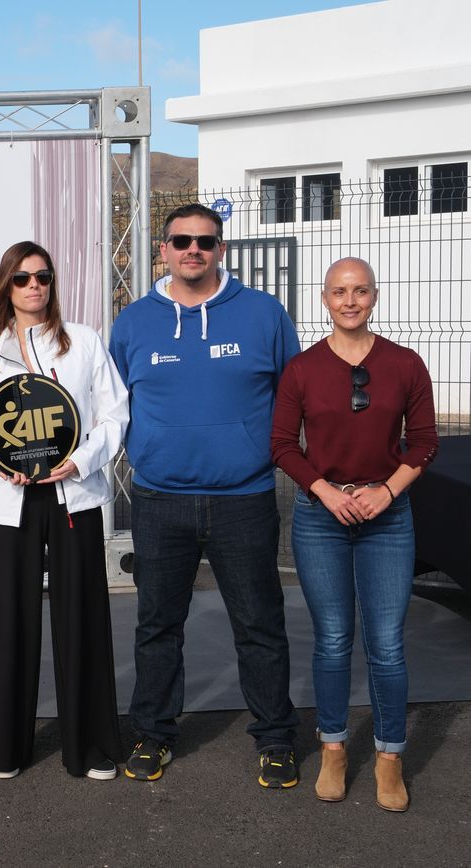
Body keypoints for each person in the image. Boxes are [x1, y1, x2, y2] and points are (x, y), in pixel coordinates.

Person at [108, 203, 302, 787]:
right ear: (162, 249)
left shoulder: (264, 314)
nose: (194, 249)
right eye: (181, 240)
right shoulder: (134, 322)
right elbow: (111, 409)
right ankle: (153, 735)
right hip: (159, 499)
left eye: (206, 241)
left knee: (260, 624)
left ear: (221, 249)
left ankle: (275, 739)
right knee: (157, 625)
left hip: (244, 498)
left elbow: (295, 399)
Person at [271, 257, 437, 811]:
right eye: (339, 292)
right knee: (334, 638)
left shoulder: (406, 364)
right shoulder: (302, 369)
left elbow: (424, 444)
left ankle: (390, 757)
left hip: (388, 516)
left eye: (360, 291)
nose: (350, 301)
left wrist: (387, 491)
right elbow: (282, 445)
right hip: (323, 517)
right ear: (324, 299)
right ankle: (335, 747)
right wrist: (325, 491)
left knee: (387, 644)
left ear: (374, 296)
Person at [0, 241, 129, 781]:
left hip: (72, 498)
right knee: (9, 624)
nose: (35, 286)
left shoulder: (82, 341)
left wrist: (79, 462)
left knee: (81, 620)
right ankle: (7, 748)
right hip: (9, 502)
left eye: (43, 276)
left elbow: (115, 415)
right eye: (22, 278)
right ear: (5, 287)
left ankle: (90, 748)